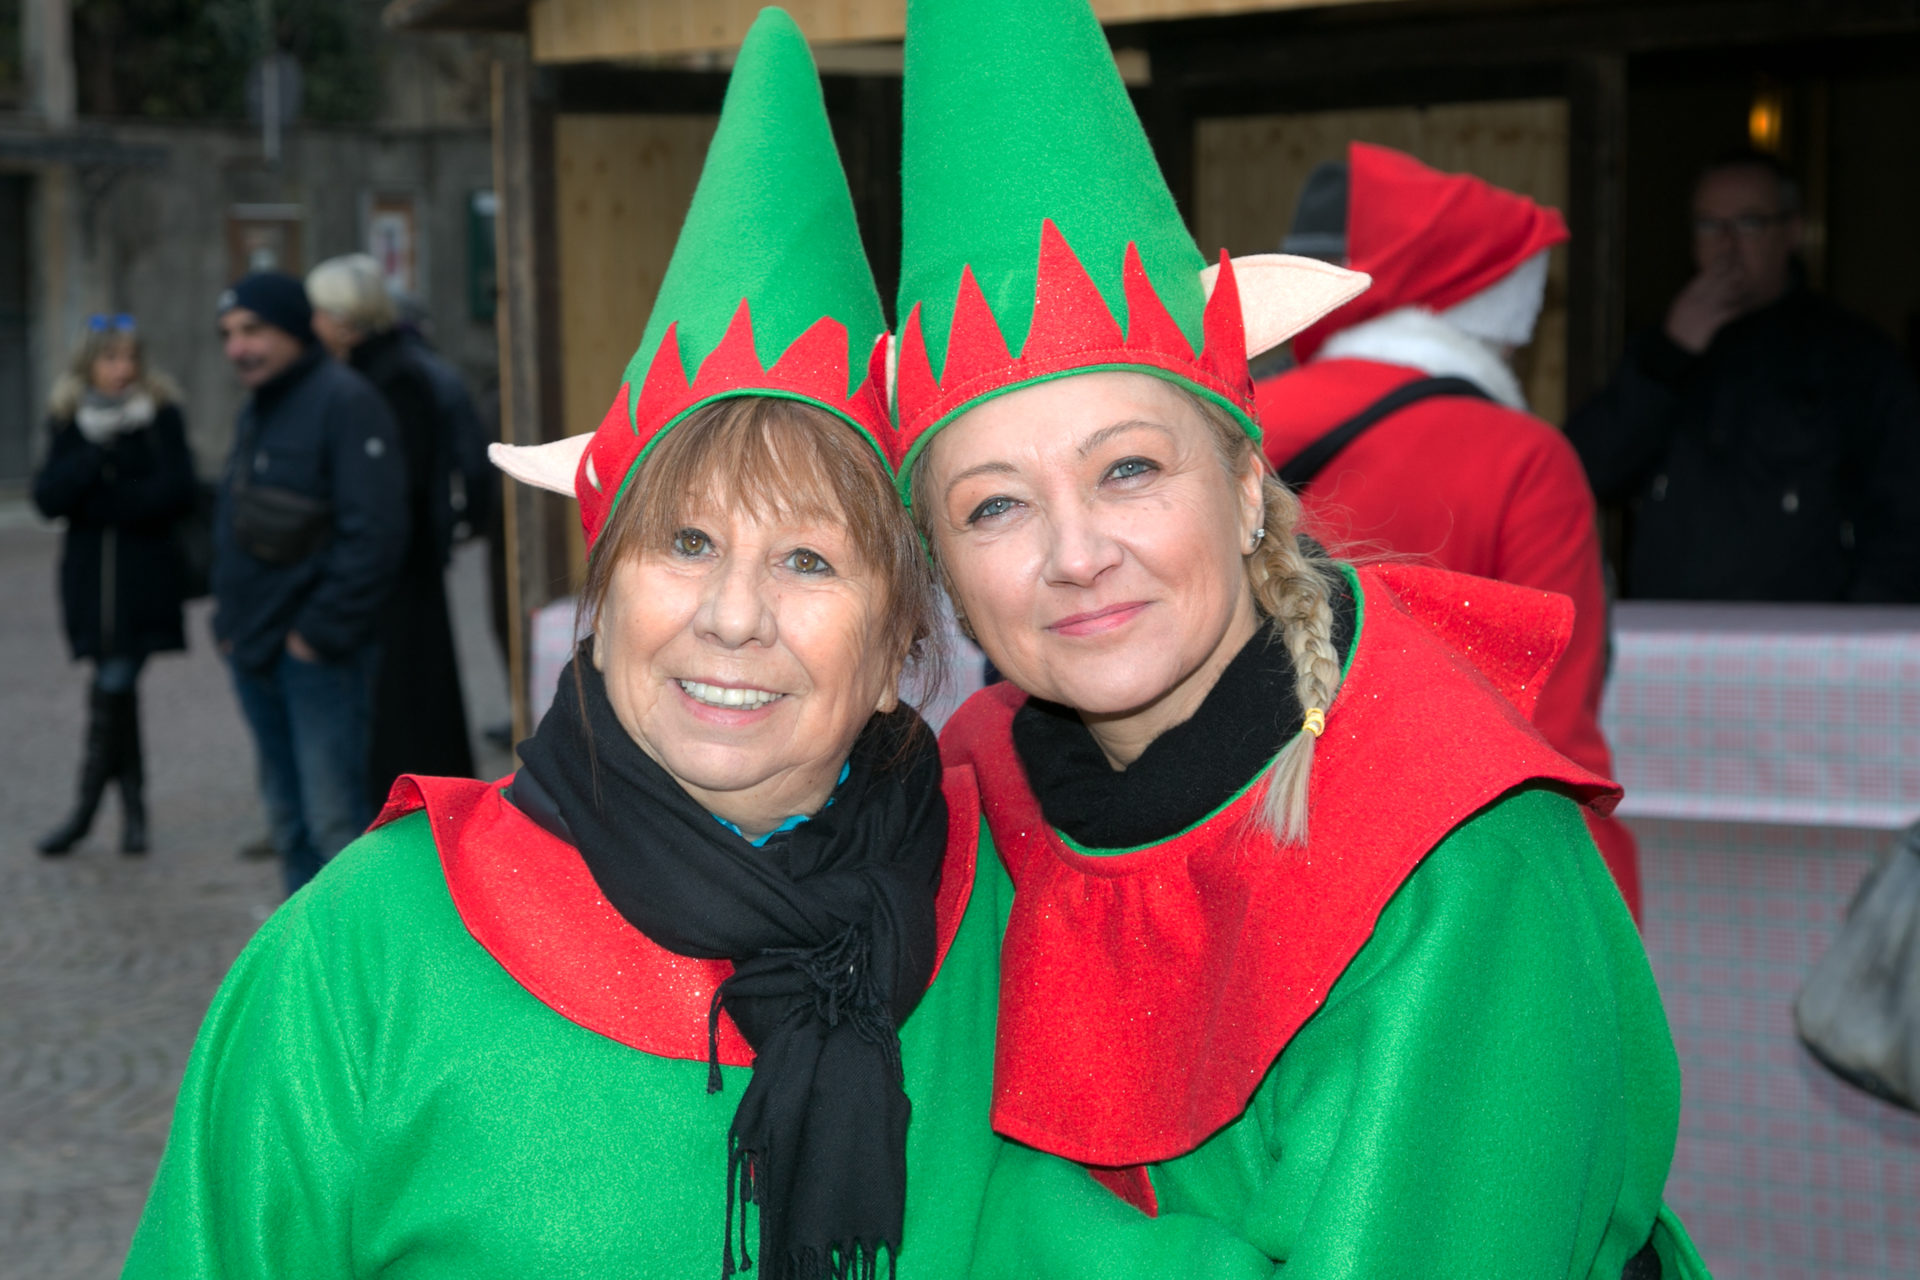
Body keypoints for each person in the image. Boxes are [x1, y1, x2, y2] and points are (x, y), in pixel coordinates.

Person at [123, 15, 1271, 1278]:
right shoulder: (362, 953)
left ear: (904, 628)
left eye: (809, 560)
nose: (733, 614)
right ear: (602, 589)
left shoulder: (1006, 919)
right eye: (684, 542)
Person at [889, 0, 1709, 1274]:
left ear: (1243, 482)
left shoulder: (1455, 845)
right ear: (942, 565)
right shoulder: (968, 799)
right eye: (995, 504)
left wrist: (1001, 1218)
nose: (1075, 552)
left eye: (1127, 469)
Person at [1255, 143, 1643, 919]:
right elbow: (1555, 732)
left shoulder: (1236, 421)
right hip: (1432, 880)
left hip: (1237, 848)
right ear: (1493, 320)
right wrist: (1602, 930)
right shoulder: (1524, 457)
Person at [1567, 150, 1920, 601]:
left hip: (1804, 632)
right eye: (1708, 225)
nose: (1726, 245)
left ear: (1792, 232)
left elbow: (1904, 516)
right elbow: (1583, 473)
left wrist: (1853, 625)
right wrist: (1668, 357)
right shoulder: (1659, 350)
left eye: (1749, 223)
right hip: (1672, 628)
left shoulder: (1854, 356)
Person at [211, 272, 406, 895]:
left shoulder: (346, 402)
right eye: (228, 334)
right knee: (289, 824)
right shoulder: (259, 404)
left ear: (294, 328)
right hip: (255, 651)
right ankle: (298, 951)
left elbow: (376, 532)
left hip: (317, 662)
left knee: (333, 827)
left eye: (252, 330)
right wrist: (229, 626)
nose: (238, 348)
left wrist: (316, 637)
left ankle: (349, 956)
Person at [307, 254, 475, 807]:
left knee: (407, 705)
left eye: (317, 312)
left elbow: (403, 484)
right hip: (400, 566)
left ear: (343, 318)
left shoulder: (392, 378)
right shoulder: (374, 372)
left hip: (401, 571)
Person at [32, 315, 195, 855]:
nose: (123, 369)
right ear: (89, 364)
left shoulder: (160, 415)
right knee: (117, 691)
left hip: (143, 583)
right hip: (88, 585)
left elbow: (176, 491)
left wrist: (106, 501)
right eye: (111, 358)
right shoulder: (69, 419)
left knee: (114, 683)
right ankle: (133, 815)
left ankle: (84, 814)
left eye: (130, 357)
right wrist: (94, 458)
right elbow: (48, 498)